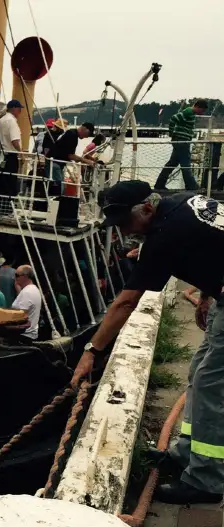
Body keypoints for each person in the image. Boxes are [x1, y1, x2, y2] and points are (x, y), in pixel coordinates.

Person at [70, 180, 224, 504]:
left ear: (147, 208)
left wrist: (92, 351)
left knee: (211, 384)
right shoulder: (183, 202)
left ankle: (207, 479)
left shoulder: (163, 237)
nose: (125, 233)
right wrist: (209, 293)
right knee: (199, 372)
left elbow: (126, 303)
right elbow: (214, 246)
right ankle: (186, 453)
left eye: (126, 223)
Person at [155, 99, 208, 191]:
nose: (202, 113)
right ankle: (192, 187)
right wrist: (171, 132)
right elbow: (174, 118)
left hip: (181, 140)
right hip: (182, 141)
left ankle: (159, 184)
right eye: (202, 110)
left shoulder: (190, 113)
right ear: (198, 107)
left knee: (172, 163)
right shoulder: (188, 112)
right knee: (185, 164)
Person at [0, 99, 23, 197]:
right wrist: (21, 154)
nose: (20, 111)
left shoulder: (1, 120)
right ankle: (8, 205)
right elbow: (15, 141)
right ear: (13, 109)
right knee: (10, 181)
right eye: (19, 109)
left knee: (0, 180)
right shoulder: (12, 121)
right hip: (9, 155)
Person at [10, 265, 42, 341]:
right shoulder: (33, 289)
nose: (15, 278)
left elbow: (19, 317)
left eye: (17, 275)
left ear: (25, 276)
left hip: (23, 336)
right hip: (29, 334)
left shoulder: (27, 292)